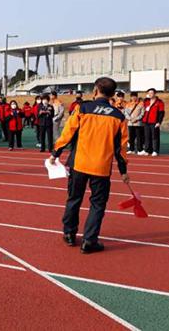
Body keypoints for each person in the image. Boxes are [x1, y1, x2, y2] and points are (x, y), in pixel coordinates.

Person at [50, 77, 129, 254]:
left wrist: (55, 153)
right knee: (98, 204)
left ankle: (69, 234)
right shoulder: (119, 117)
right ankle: (89, 241)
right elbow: (121, 148)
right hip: (101, 167)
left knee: (74, 199)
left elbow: (68, 133)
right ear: (112, 94)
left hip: (79, 163)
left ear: (95, 91)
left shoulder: (83, 108)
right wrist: (123, 171)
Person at [140, 88, 164, 157]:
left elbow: (161, 113)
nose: (150, 94)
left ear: (155, 93)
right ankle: (147, 150)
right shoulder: (146, 101)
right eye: (149, 93)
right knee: (147, 136)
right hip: (146, 122)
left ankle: (155, 150)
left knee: (155, 137)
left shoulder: (159, 102)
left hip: (154, 122)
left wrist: (159, 122)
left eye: (151, 93)